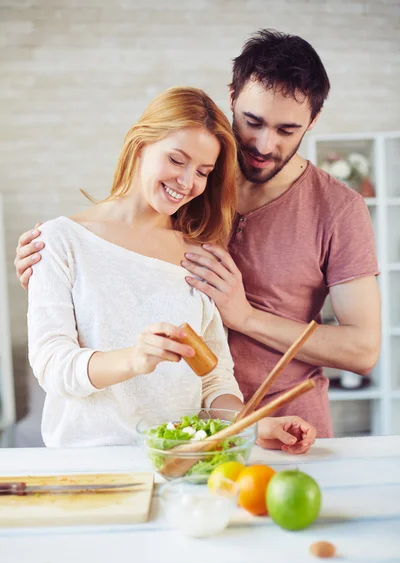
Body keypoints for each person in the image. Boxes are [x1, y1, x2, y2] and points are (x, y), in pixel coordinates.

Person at [15, 30, 381, 439]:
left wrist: (245, 318)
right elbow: (105, 257)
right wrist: (51, 262)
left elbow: (364, 350)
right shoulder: (186, 205)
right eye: (253, 122)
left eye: (286, 130)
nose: (263, 143)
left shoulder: (336, 208)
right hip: (189, 439)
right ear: (232, 98)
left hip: (277, 419)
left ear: (312, 122)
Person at [21, 86, 316, 452]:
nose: (188, 182)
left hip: (181, 461)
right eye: (177, 160)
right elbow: (53, 365)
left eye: (203, 171)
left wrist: (253, 425)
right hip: (91, 464)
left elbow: (214, 380)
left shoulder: (199, 256)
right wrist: (134, 358)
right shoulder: (61, 241)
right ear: (140, 144)